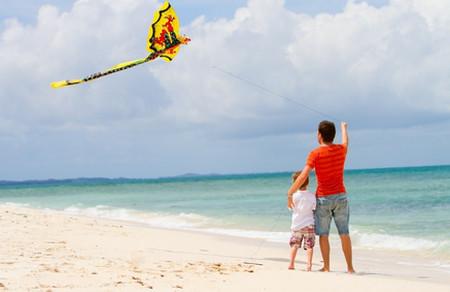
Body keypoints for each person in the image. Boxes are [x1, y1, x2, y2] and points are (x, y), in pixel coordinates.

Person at [287, 121, 355, 273]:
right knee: (344, 233)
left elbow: (304, 174)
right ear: (333, 135)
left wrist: (290, 192)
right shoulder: (340, 150)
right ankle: (350, 268)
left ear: (319, 135)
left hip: (324, 198)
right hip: (341, 197)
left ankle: (327, 267)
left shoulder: (315, 154)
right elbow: (346, 142)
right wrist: (344, 128)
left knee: (324, 234)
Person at [288, 172, 316, 271]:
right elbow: (314, 208)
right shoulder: (312, 196)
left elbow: (290, 207)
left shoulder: (294, 196)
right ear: (307, 183)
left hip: (297, 225)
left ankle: (291, 264)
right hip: (309, 224)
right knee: (309, 246)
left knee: (294, 245)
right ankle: (309, 265)